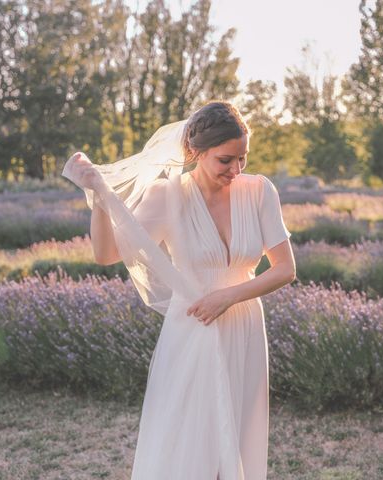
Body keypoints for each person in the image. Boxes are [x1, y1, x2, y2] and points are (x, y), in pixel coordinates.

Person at [62, 101, 296, 479]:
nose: (236, 170)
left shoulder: (260, 192)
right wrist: (100, 199)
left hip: (245, 330)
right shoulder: (167, 197)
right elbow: (105, 254)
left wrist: (228, 296)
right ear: (195, 153)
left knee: (236, 440)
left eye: (243, 158)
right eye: (225, 160)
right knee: (191, 444)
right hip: (193, 332)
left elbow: (285, 270)